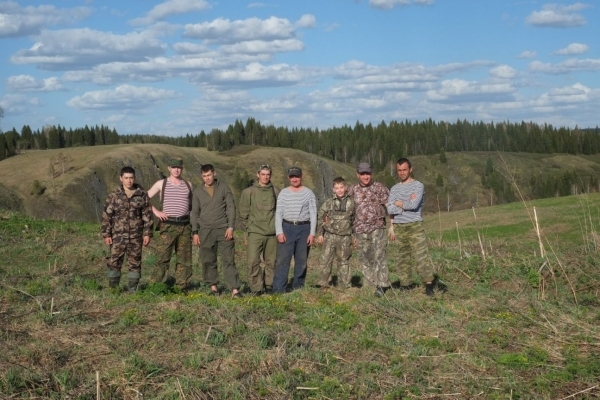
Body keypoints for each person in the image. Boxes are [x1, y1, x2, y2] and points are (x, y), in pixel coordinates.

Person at [191, 164, 242, 298]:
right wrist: (195, 232)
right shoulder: (198, 191)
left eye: (209, 175)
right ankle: (213, 288)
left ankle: (235, 290)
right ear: (202, 176)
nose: (207, 178)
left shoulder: (223, 188)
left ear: (214, 174)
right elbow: (194, 212)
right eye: (204, 176)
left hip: (223, 229)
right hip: (205, 230)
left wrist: (231, 227)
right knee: (208, 260)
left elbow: (231, 207)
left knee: (228, 259)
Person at [387, 157, 436, 296]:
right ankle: (405, 284)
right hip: (399, 226)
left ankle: (429, 284)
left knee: (421, 255)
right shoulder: (394, 188)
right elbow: (390, 209)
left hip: (414, 225)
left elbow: (414, 206)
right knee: (402, 257)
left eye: (404, 170)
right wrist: (393, 222)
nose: (402, 173)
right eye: (399, 170)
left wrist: (397, 202)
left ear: (410, 169)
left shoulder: (418, 186)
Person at [101, 166, 153, 293]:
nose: (129, 181)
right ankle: (114, 290)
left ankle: (132, 290)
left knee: (135, 263)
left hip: (136, 236)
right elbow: (107, 216)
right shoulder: (114, 196)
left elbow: (147, 215)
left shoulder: (142, 195)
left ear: (134, 178)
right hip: (117, 236)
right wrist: (106, 234)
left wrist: (147, 233)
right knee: (114, 262)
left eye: (131, 178)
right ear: (121, 178)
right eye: (126, 178)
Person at [147, 157, 193, 291]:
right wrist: (156, 211)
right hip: (167, 225)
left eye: (179, 167)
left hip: (185, 226)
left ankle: (181, 286)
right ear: (169, 168)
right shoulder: (161, 184)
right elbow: (144, 198)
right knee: (163, 257)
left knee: (184, 258)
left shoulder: (189, 185)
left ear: (182, 169)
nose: (176, 170)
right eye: (174, 167)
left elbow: (194, 205)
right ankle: (154, 286)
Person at [348, 162, 391, 297]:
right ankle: (369, 284)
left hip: (377, 227)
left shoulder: (379, 187)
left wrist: (393, 225)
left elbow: (389, 205)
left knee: (380, 256)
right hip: (360, 229)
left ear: (371, 173)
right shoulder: (353, 189)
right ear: (358, 174)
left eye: (368, 173)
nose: (365, 176)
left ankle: (382, 285)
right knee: (364, 257)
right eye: (362, 174)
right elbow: (347, 208)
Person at [273, 166, 317, 293]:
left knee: (301, 261)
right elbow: (279, 213)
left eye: (297, 176)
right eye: (292, 177)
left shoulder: (309, 193)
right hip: (287, 228)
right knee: (283, 260)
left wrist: (312, 233)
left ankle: (298, 288)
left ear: (301, 177)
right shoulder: (283, 193)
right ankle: (278, 290)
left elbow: (313, 214)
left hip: (304, 228)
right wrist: (279, 232)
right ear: (288, 178)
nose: (295, 179)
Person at [238, 164, 280, 295]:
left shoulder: (276, 191)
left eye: (268, 174)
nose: (265, 177)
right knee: (253, 261)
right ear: (258, 175)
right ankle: (256, 288)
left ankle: (269, 285)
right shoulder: (248, 192)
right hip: (255, 233)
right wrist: (249, 227)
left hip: (272, 233)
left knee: (271, 262)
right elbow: (243, 213)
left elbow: (280, 211)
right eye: (263, 174)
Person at [315, 177, 355, 289]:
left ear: (345, 188)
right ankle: (323, 283)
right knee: (325, 260)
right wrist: (320, 234)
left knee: (343, 261)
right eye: (337, 188)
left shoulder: (352, 202)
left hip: (345, 237)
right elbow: (320, 216)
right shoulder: (329, 202)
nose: (340, 190)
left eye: (341, 187)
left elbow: (355, 219)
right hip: (329, 236)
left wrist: (354, 235)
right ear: (333, 189)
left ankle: (345, 285)